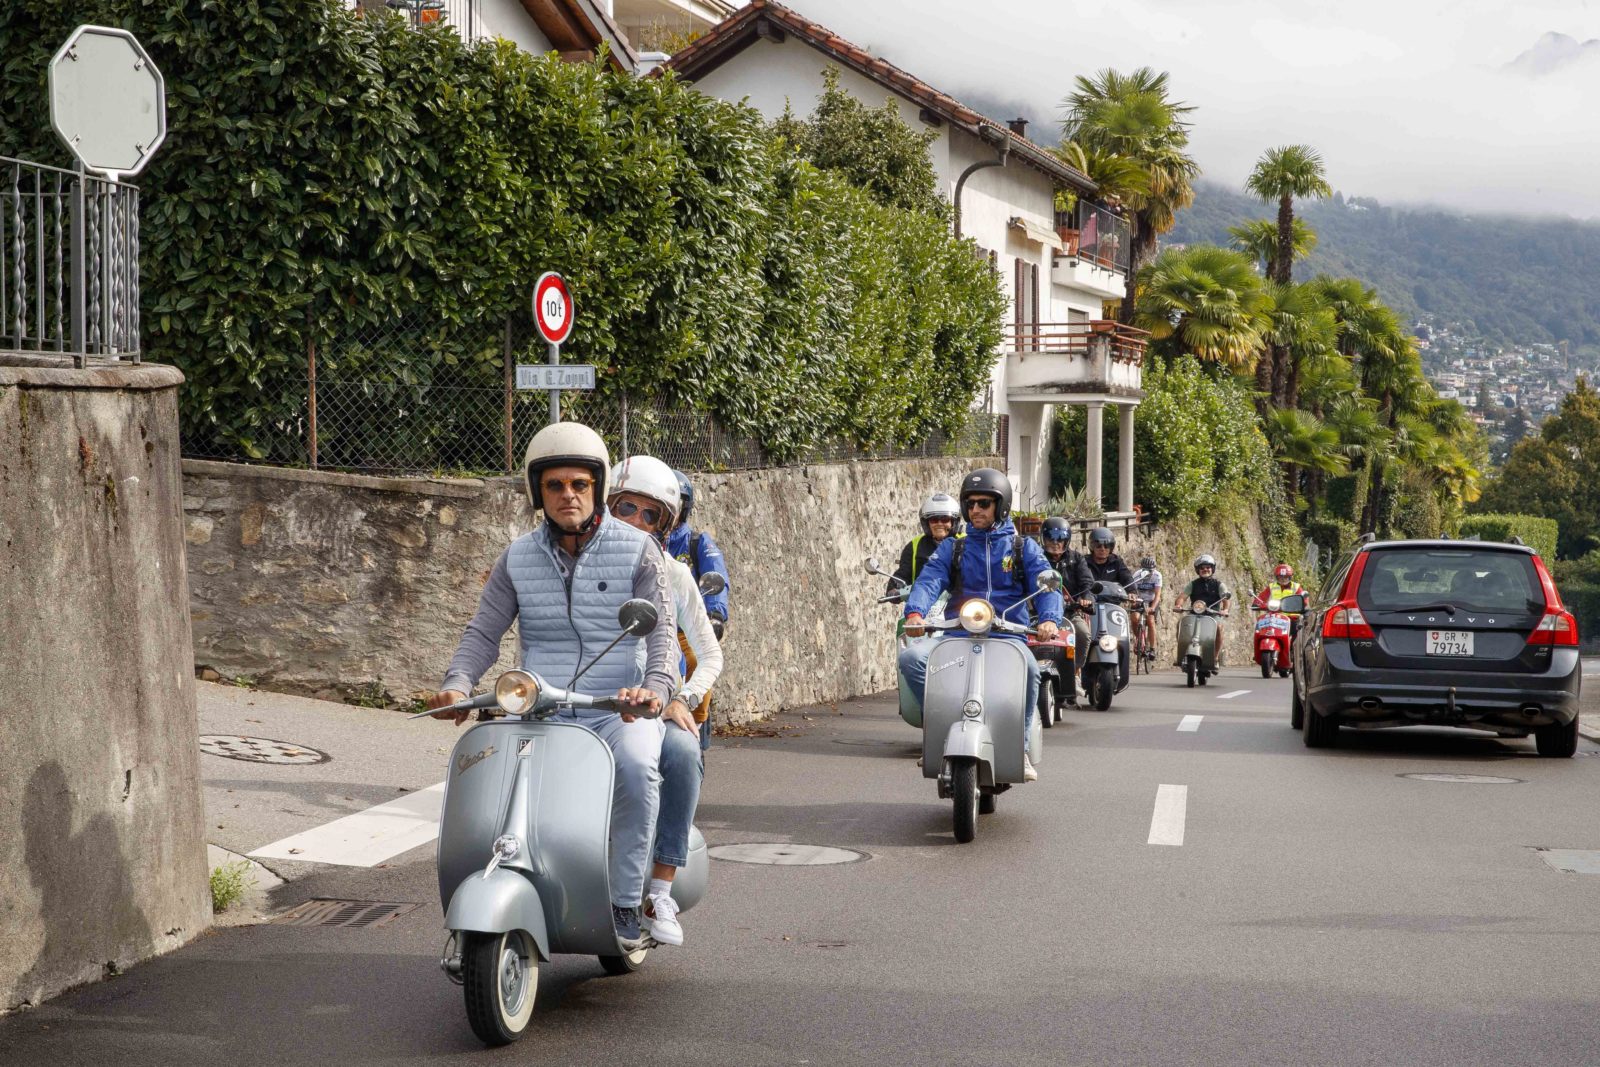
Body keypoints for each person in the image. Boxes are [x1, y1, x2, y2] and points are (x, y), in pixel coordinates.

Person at [429, 422, 677, 948]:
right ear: (537, 492)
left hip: (616, 708)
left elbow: (661, 637)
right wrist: (457, 683)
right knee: (493, 774)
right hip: (540, 707)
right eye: (555, 485)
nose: (568, 495)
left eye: (579, 484)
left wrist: (653, 689)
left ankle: (624, 902)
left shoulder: (639, 550)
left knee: (637, 766)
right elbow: (484, 630)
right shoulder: (518, 557)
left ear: (598, 488)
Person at [608, 455, 723, 949]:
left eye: (649, 514)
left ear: (665, 525)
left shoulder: (675, 575)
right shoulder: (576, 563)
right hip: (590, 701)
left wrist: (683, 697)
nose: (636, 521)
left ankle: (659, 890)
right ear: (606, 507)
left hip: (655, 702)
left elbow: (710, 654)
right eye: (625, 508)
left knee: (681, 751)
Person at [897, 468, 1064, 781]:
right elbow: (929, 580)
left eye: (984, 503)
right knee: (912, 658)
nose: (975, 509)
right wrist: (915, 613)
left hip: (1008, 635)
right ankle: (938, 731)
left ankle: (1021, 749)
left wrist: (1049, 619)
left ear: (1001, 507)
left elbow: (1047, 583)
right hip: (958, 632)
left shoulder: (1022, 548)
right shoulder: (954, 548)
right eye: (970, 503)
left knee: (1030, 671)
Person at [668, 470, 730, 751]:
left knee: (694, 660)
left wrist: (715, 615)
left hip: (684, 628)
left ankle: (695, 721)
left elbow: (716, 579)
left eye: (675, 502)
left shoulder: (696, 542)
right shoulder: (634, 541)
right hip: (644, 626)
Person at [1038, 516, 1093, 706]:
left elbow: (1087, 582)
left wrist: (1085, 598)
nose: (1055, 543)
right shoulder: (1037, 557)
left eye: (1060, 539)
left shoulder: (1076, 559)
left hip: (1069, 612)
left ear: (1067, 540)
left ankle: (1075, 673)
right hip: (1038, 612)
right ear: (1043, 539)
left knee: (1083, 633)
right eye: (1050, 539)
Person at [888, 493, 961, 594]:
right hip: (921, 599)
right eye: (934, 520)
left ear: (953, 522)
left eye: (945, 519)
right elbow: (903, 573)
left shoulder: (964, 542)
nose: (939, 523)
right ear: (926, 523)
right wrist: (895, 587)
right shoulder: (914, 546)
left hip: (960, 600)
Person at [1174, 554, 1233, 663]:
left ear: (1212, 569)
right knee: (1181, 624)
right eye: (1202, 568)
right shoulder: (1192, 584)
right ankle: (1182, 653)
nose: (1205, 569)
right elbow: (1182, 597)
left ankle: (1215, 657)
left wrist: (1225, 610)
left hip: (1213, 614)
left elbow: (1226, 600)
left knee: (1219, 628)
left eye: (1208, 567)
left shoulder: (1219, 585)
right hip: (1194, 613)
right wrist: (1178, 605)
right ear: (1198, 570)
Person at [1251, 563, 1308, 638]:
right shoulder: (1272, 586)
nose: (1283, 579)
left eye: (1286, 577)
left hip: (1291, 618)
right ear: (1277, 577)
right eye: (1280, 577)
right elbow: (1262, 596)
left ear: (1290, 577)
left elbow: (1303, 600)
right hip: (1274, 617)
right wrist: (1257, 603)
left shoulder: (1296, 587)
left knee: (1295, 633)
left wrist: (1303, 605)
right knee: (1263, 631)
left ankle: (1292, 645)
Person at [1131, 556, 1164, 662]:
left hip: (1151, 600)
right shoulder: (1137, 575)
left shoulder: (1157, 576)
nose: (1149, 572)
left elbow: (1157, 595)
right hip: (1139, 600)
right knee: (1134, 618)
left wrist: (1152, 607)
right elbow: (1133, 591)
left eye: (1151, 570)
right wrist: (1134, 601)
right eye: (1146, 570)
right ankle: (1139, 639)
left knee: (1150, 621)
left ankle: (1152, 649)